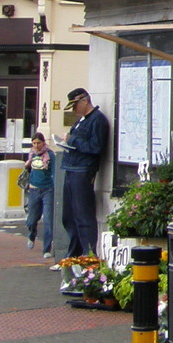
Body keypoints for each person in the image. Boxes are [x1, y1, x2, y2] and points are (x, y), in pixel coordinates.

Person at [55, 88, 108, 258]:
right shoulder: (81, 120)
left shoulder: (97, 120)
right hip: (71, 168)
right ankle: (74, 254)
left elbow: (95, 147)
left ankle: (88, 255)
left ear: (84, 101)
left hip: (83, 170)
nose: (73, 110)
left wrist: (72, 139)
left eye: (75, 105)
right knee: (69, 216)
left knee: (83, 215)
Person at [22, 131, 55, 260]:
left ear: (43, 143)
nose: (36, 146)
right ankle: (31, 234)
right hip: (34, 189)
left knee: (48, 220)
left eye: (38, 143)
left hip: (47, 190)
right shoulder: (31, 154)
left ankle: (46, 249)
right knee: (31, 219)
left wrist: (53, 187)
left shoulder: (50, 155)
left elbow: (53, 172)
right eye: (34, 143)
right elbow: (28, 172)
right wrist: (26, 166)